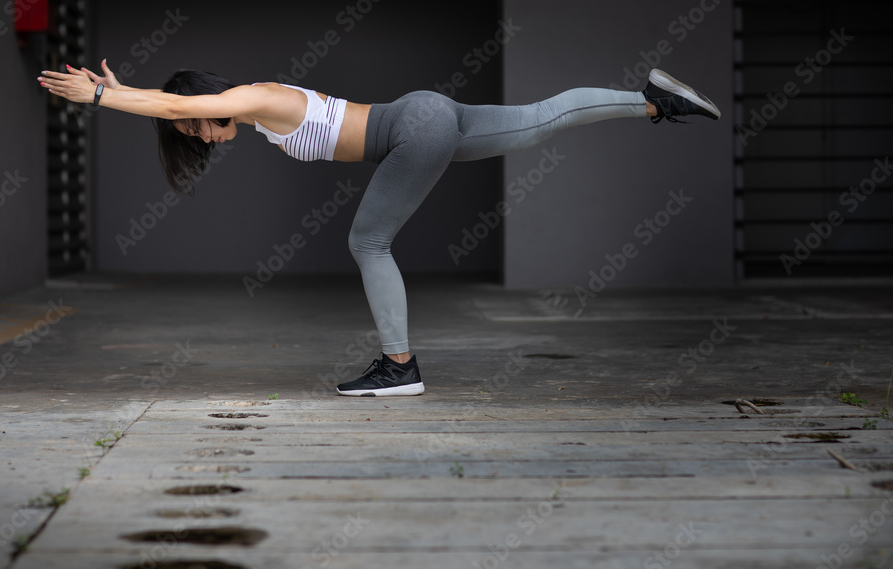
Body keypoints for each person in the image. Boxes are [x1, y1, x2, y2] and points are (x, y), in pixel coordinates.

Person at [38, 60, 720, 397]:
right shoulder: (253, 109)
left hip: (414, 125)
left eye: (194, 125)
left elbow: (181, 101)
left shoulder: (252, 98)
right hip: (424, 115)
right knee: (541, 119)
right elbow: (174, 104)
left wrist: (101, 96)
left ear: (205, 99)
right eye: (191, 132)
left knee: (367, 241)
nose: (202, 136)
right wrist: (129, 94)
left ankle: (399, 368)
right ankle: (654, 102)